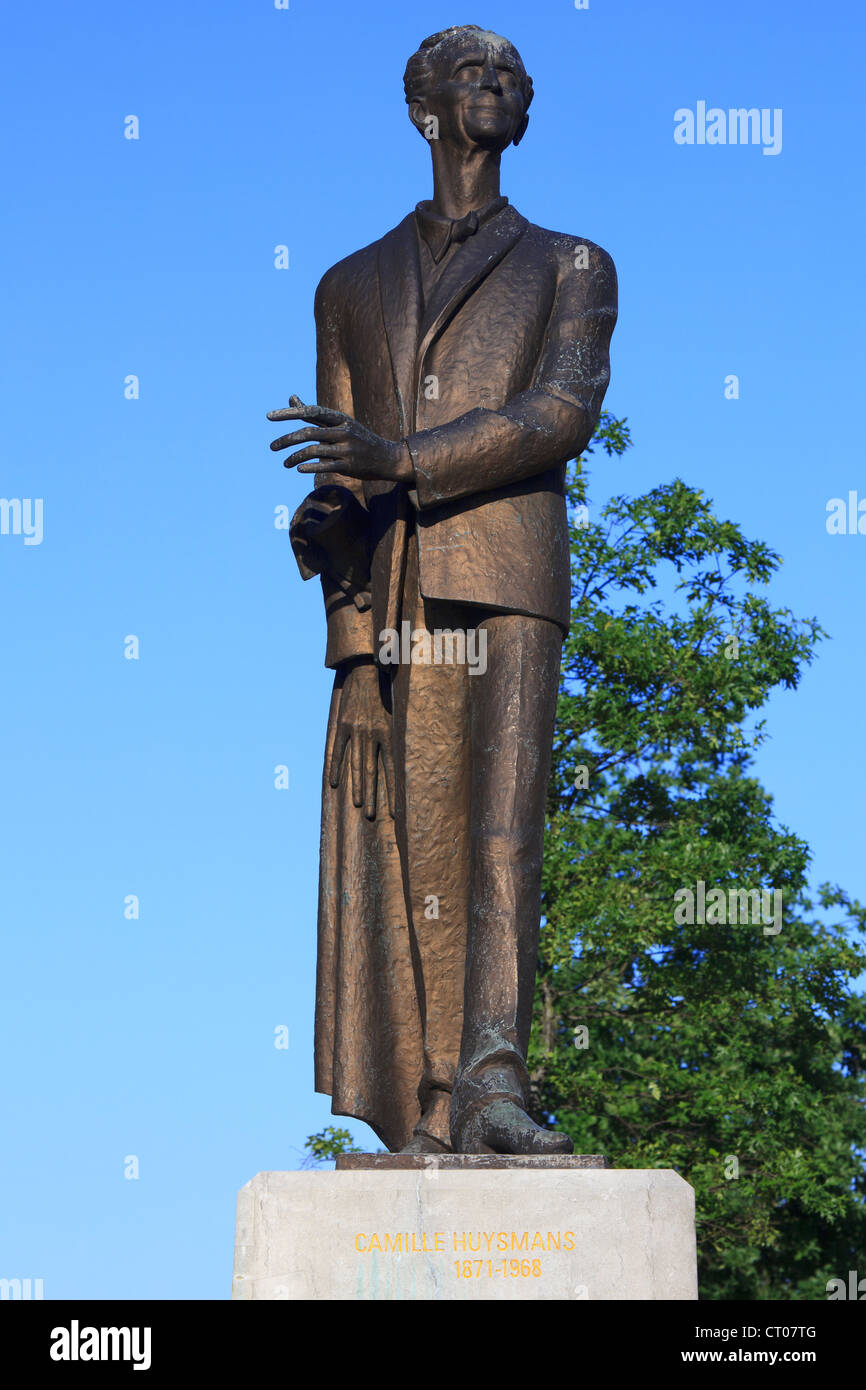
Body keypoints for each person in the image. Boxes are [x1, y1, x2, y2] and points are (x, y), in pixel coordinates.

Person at [268, 24, 617, 1154]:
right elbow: (336, 471)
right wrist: (350, 645)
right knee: (410, 835)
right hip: (399, 581)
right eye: (475, 72)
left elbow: (557, 414)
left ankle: (494, 1080)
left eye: (513, 77)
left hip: (508, 572)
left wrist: (404, 459)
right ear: (424, 107)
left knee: (504, 832)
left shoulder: (571, 263)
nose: (502, 85)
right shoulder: (346, 285)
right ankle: (424, 1095)